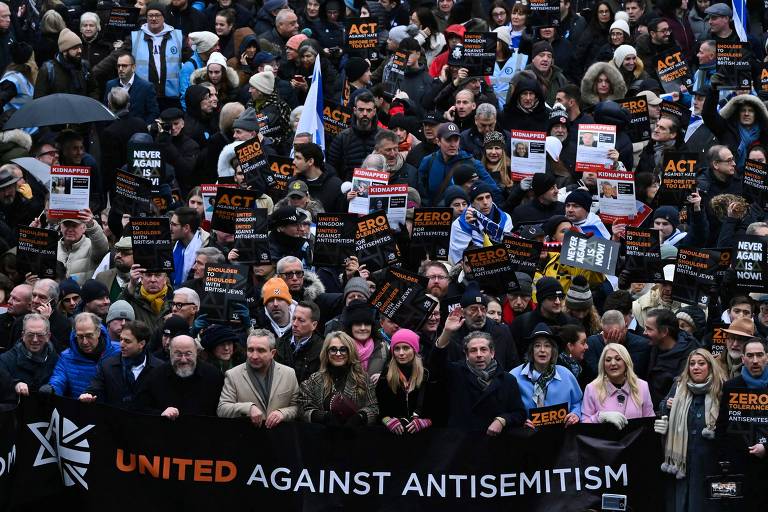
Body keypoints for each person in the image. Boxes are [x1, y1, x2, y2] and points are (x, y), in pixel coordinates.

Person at [655, 348, 725, 512]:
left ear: (710, 366)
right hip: (681, 463)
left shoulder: (722, 389)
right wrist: (667, 406)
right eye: (692, 364)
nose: (696, 367)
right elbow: (663, 407)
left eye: (701, 363)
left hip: (710, 464)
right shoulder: (678, 386)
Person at [431, 314, 526, 433]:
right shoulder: (455, 373)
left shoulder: (507, 379)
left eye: (483, 349)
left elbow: (519, 413)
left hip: (494, 444)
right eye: (473, 350)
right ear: (466, 355)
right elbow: (436, 365)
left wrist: (502, 420)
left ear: (492, 353)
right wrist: (447, 332)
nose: (479, 354)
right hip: (461, 443)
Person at [715, 338, 768, 507]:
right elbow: (722, 426)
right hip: (737, 466)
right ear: (743, 358)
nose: (755, 360)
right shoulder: (731, 386)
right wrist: (724, 460)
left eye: (759, 355)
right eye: (750, 356)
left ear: (766, 357)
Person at [217, 329, 300, 427]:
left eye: (261, 350)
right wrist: (248, 408)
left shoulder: (289, 374)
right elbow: (222, 409)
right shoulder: (233, 375)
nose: (254, 356)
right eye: (250, 350)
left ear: (272, 353)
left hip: (279, 438)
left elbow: (297, 407)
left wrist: (283, 413)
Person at [298, 331, 379, 426]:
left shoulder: (363, 379)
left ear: (350, 352)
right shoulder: (314, 380)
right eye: (333, 349)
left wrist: (360, 417)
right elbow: (302, 409)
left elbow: (373, 409)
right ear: (326, 352)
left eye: (343, 349)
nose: (338, 353)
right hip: (323, 436)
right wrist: (323, 416)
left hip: (353, 436)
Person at [510, 323, 583, 428]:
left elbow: (578, 402)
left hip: (561, 436)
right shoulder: (514, 376)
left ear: (553, 351)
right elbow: (507, 409)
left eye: (547, 345)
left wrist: (575, 414)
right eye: (537, 345)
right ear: (531, 350)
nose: (542, 350)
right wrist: (518, 420)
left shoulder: (566, 374)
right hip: (527, 437)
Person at [78, 320, 163, 408]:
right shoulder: (107, 365)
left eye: (127, 341)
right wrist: (87, 395)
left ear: (141, 344)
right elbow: (95, 388)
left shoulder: (159, 368)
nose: (121, 345)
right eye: (121, 339)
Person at [138, 334, 224, 418]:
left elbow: (221, 410)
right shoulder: (155, 376)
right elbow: (140, 408)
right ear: (170, 353)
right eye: (178, 354)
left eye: (188, 354)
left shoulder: (213, 376)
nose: (183, 359)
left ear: (196, 352)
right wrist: (160, 414)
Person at [44, 313, 121, 398]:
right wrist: (52, 389)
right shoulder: (67, 357)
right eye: (80, 336)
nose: (85, 342)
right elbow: (58, 379)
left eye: (89, 336)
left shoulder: (119, 351)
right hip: (82, 407)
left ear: (98, 332)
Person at [581, 343, 655, 428]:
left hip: (635, 440)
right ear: (603, 365)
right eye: (608, 360)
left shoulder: (642, 386)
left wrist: (657, 428)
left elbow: (649, 419)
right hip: (603, 440)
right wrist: (600, 417)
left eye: (618, 359)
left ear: (626, 362)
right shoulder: (592, 388)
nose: (613, 363)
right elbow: (584, 424)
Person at [375, 329, 433, 434]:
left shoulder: (426, 374)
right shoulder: (386, 375)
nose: (401, 353)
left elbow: (439, 408)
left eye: (406, 348)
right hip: (393, 436)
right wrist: (387, 420)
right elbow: (378, 408)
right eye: (397, 349)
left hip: (423, 437)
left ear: (414, 349)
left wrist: (427, 422)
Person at [131, 3, 184, 109]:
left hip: (171, 97)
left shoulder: (178, 36)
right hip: (144, 96)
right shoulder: (135, 37)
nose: (153, 18)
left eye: (157, 15)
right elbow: (117, 58)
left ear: (164, 17)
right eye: (150, 15)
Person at [645, 308, 698, 410]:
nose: (644, 333)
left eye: (649, 329)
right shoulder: (651, 346)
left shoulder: (690, 355)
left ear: (664, 332)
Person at [0, 313, 58, 397]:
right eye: (30, 335)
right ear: (23, 335)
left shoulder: (57, 361)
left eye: (40, 335)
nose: (35, 339)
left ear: (48, 336)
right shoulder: (5, 360)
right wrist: (15, 384)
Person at [104, 52, 160, 125]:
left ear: (133, 67)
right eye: (118, 66)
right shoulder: (110, 85)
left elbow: (153, 112)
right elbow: (105, 110)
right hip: (115, 132)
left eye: (124, 66)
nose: (120, 69)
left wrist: (143, 128)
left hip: (137, 132)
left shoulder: (146, 87)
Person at [275, 301, 323, 383]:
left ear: (314, 325)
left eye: (301, 320)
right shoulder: (278, 344)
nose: (294, 324)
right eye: (294, 318)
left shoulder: (322, 350)